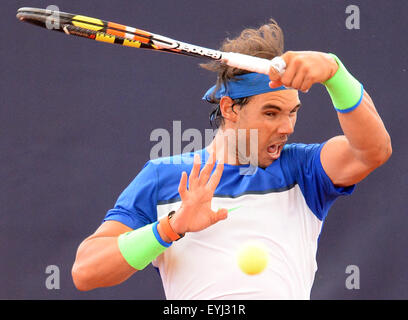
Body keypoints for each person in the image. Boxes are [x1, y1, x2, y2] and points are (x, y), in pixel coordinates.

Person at [71, 19, 391, 299]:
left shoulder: (303, 169)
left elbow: (373, 151)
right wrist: (172, 227)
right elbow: (86, 271)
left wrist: (335, 73)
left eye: (292, 112)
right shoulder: (163, 177)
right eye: (271, 113)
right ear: (229, 109)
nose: (287, 127)